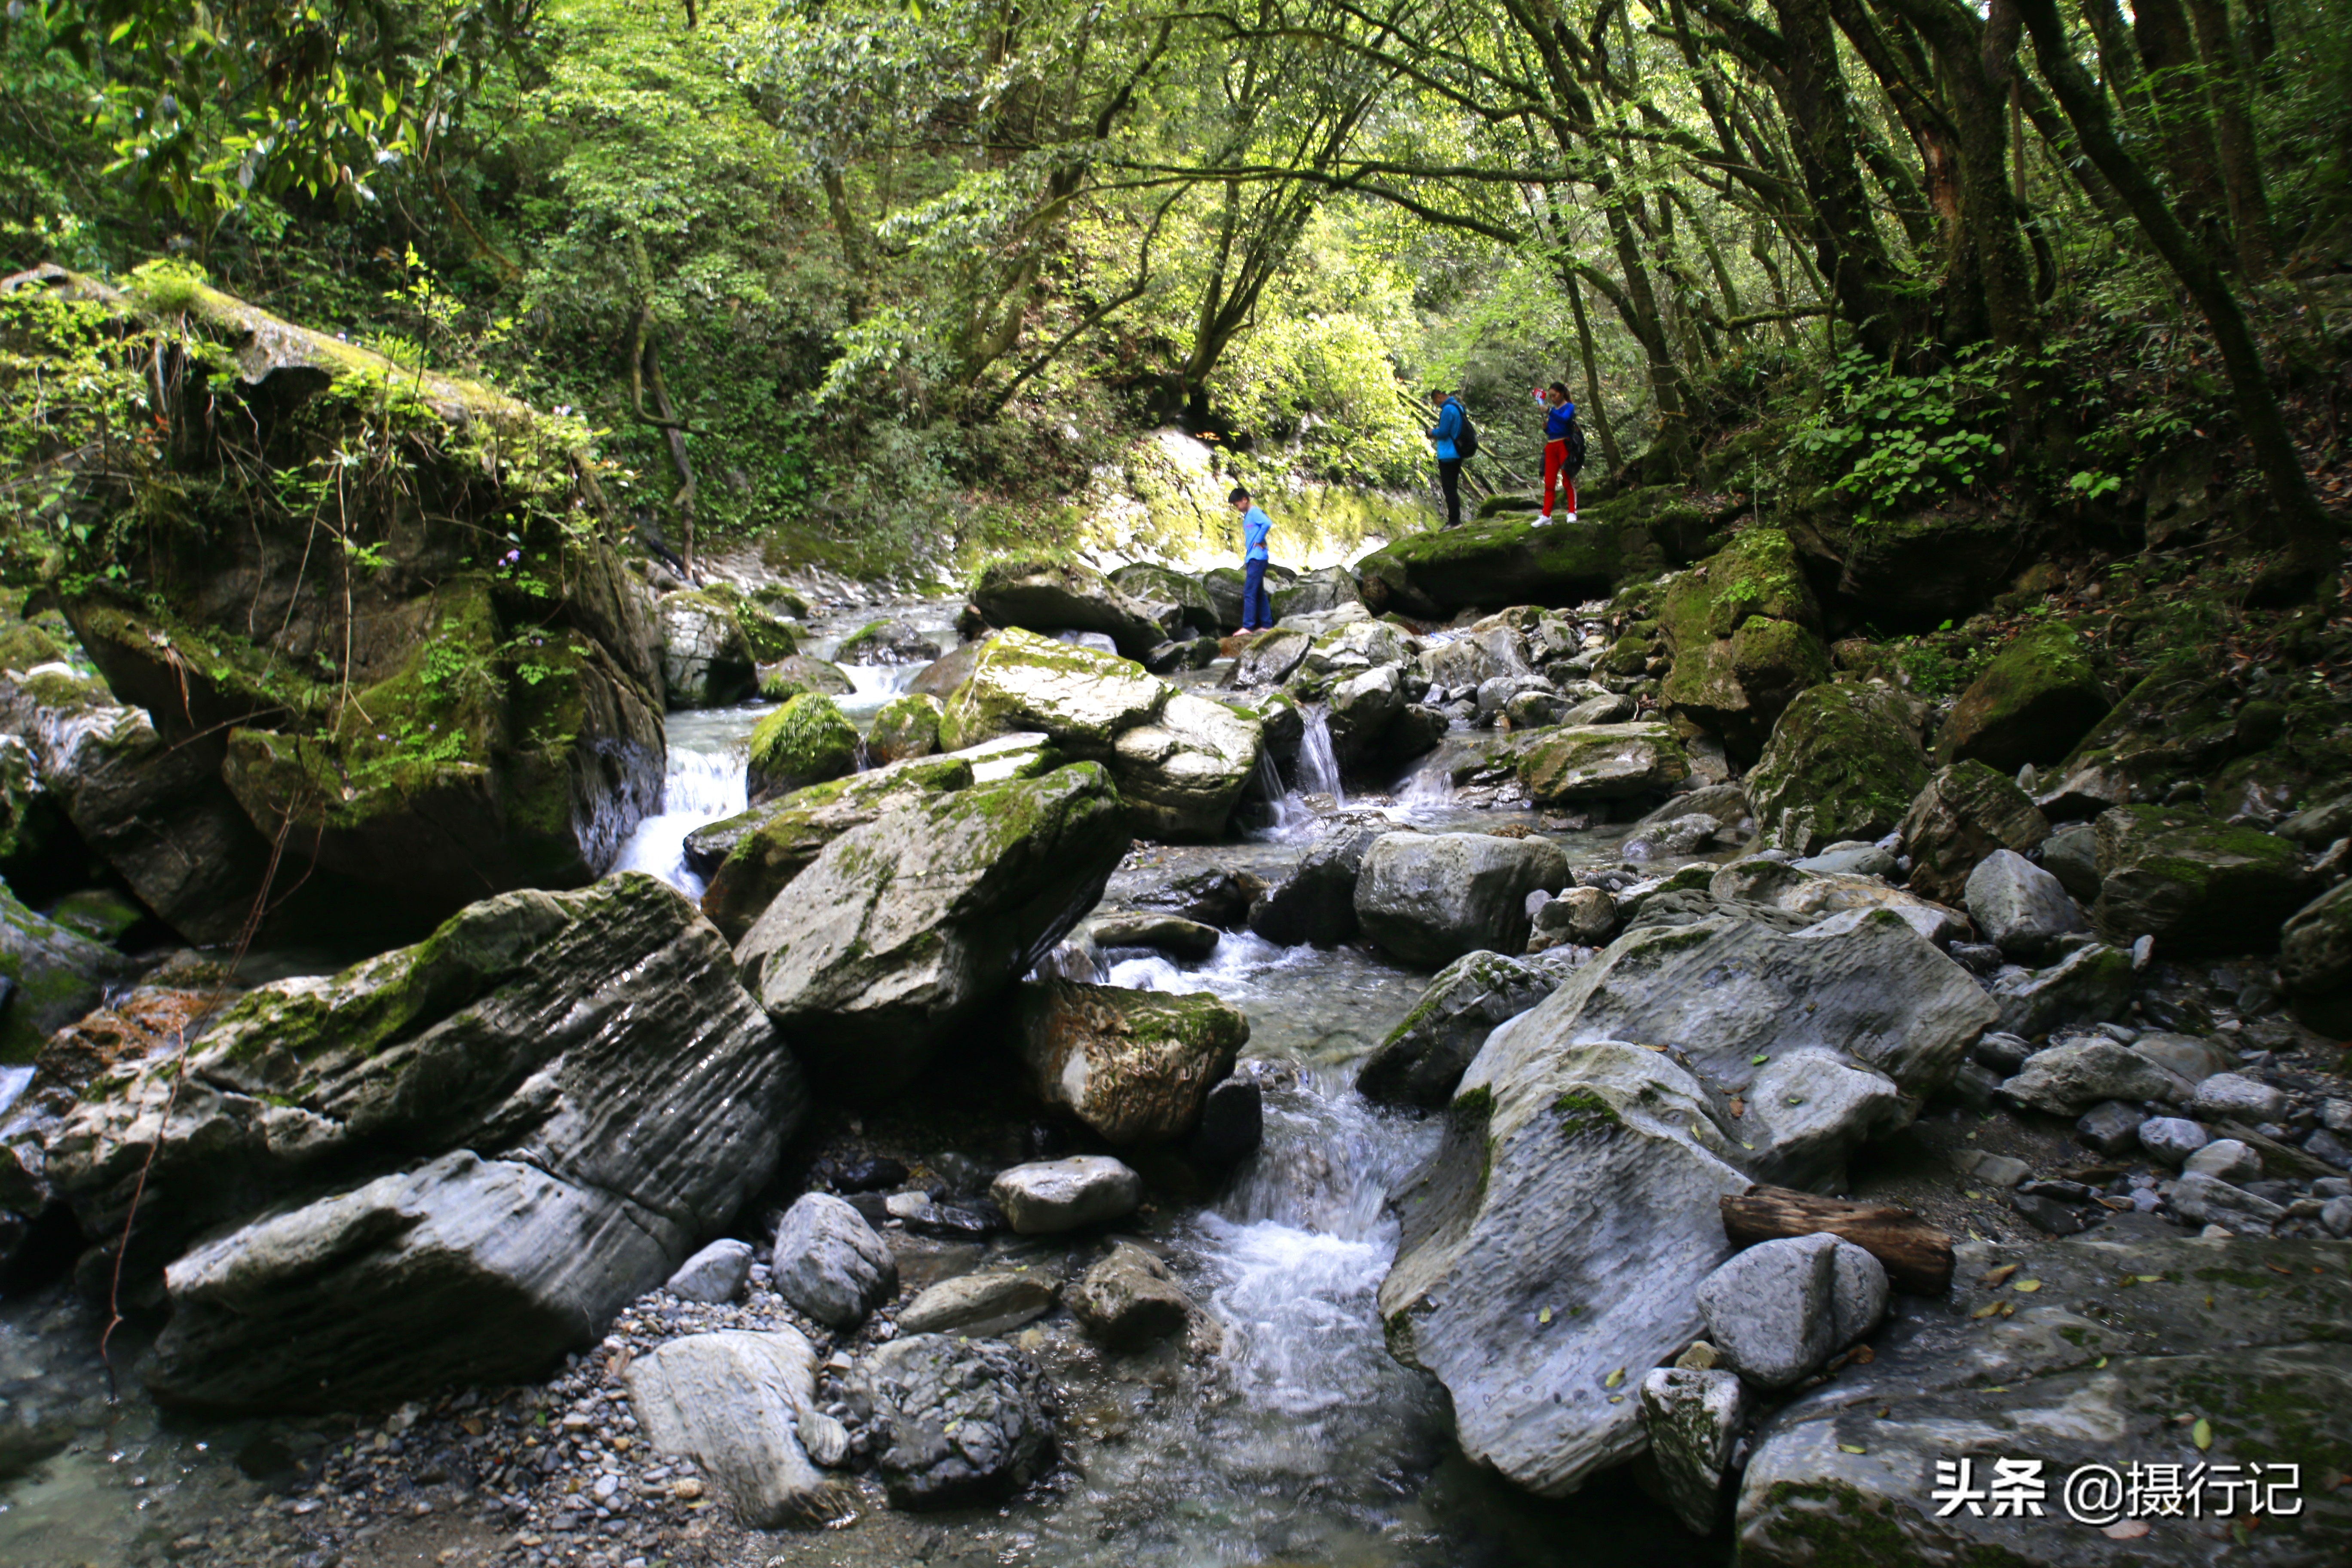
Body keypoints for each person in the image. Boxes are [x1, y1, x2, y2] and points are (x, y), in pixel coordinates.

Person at [1535, 382, 1580, 524]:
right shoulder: (1554, 411)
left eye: (1554, 395)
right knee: (1549, 482)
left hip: (1564, 446)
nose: (1553, 398)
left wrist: (1549, 411)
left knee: (1567, 480)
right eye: (1551, 396)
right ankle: (1546, 515)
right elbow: (1552, 431)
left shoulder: (1569, 408)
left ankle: (1572, 512)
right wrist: (1546, 428)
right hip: (1551, 446)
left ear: (1561, 394)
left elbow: (1565, 419)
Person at [1231, 485, 1274, 631]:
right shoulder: (1248, 516)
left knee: (1249, 591)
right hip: (1252, 557)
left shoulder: (1254, 512)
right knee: (1259, 592)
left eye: (1237, 505)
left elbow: (1267, 523)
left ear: (1245, 500)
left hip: (1258, 558)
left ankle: (1248, 626)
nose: (1237, 508)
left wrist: (1259, 539)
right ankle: (1267, 625)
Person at [1427, 387, 1466, 528]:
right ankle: (1455, 519)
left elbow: (1443, 432)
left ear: (1439, 396)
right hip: (1458, 452)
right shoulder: (1459, 408)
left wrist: (1432, 432)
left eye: (1435, 401)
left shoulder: (1448, 410)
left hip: (1448, 453)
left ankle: (1454, 521)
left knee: (1449, 488)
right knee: (1453, 487)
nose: (1437, 404)